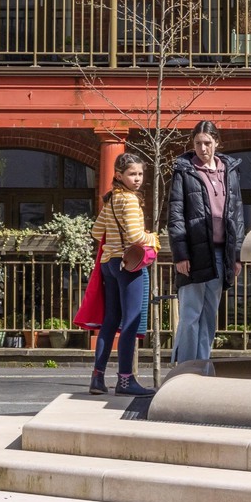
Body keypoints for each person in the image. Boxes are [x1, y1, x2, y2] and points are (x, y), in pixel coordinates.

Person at [168, 121, 247, 364]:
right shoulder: (184, 170)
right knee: (191, 314)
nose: (203, 148)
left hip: (221, 253)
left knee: (210, 315)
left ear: (217, 143)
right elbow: (176, 214)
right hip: (193, 253)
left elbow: (237, 215)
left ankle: (201, 366)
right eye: (198, 143)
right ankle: (183, 369)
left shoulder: (230, 171)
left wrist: (236, 256)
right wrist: (181, 255)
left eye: (207, 143)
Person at [91, 152, 158, 396]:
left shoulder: (111, 199)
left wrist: (115, 241)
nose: (138, 178)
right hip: (128, 265)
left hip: (109, 263)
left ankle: (97, 378)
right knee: (130, 322)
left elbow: (96, 232)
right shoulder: (129, 200)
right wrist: (154, 238)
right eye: (132, 174)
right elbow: (136, 238)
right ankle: (125, 380)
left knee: (110, 321)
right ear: (119, 175)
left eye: (140, 173)